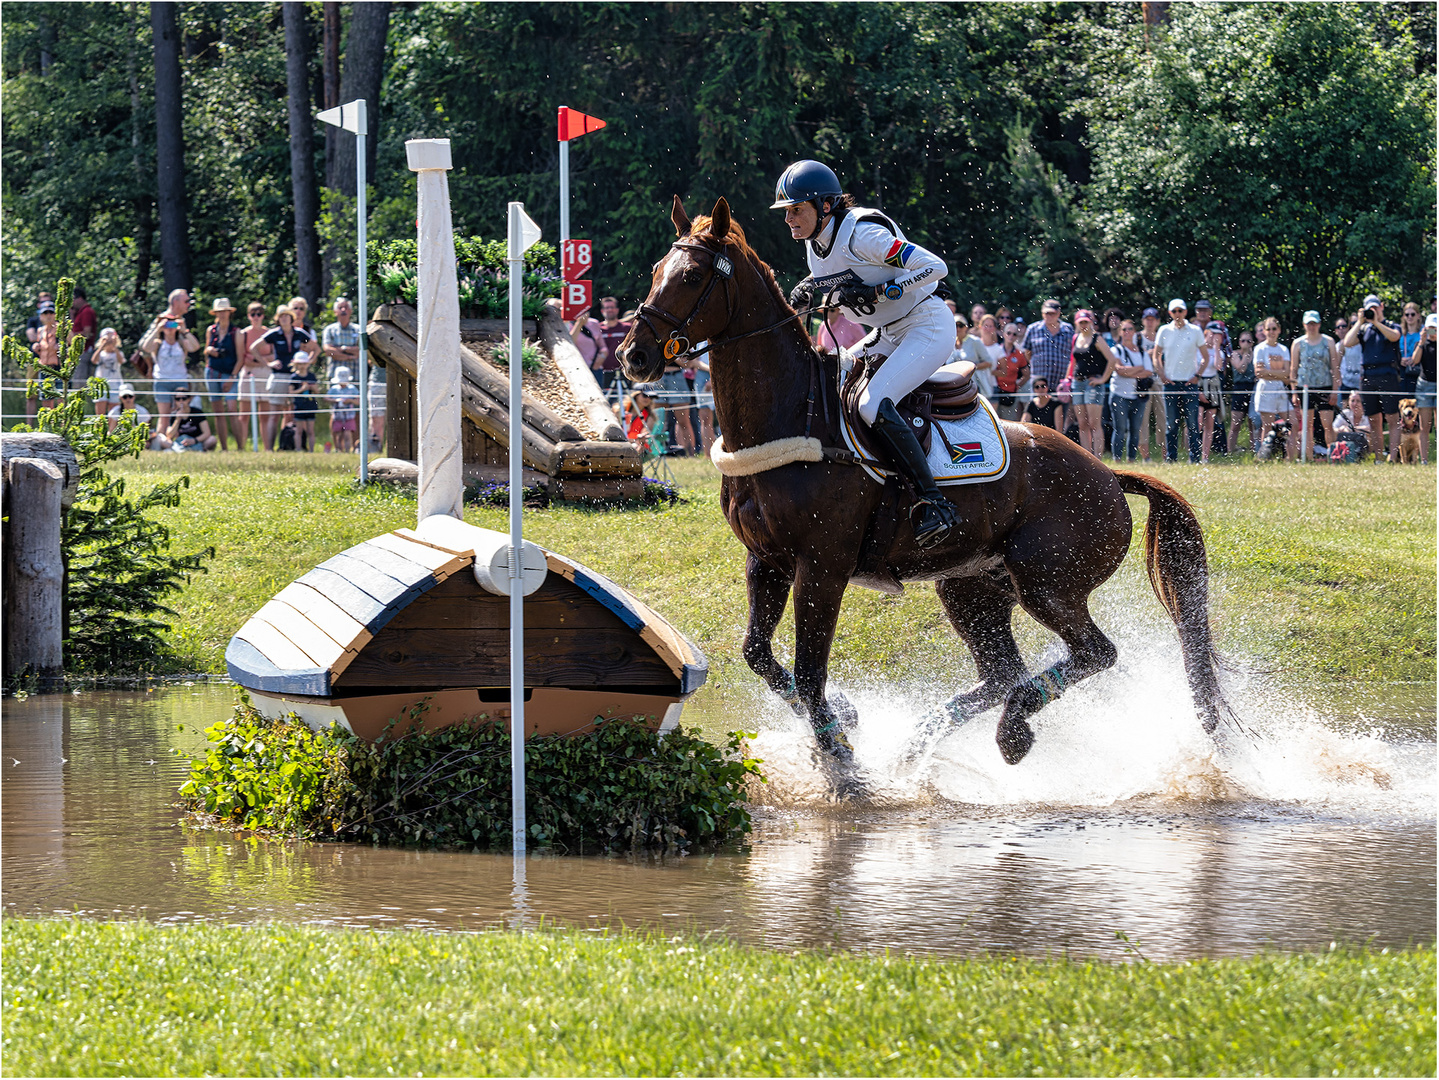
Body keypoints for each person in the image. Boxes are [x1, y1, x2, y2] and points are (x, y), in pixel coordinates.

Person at [777, 158, 956, 546]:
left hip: (926, 323)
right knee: (829, 378)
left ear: (825, 206)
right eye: (786, 211)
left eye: (796, 209)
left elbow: (934, 267)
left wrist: (882, 291)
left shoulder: (864, 235)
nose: (789, 218)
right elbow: (842, 272)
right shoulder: (814, 244)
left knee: (872, 403)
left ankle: (934, 502)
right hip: (888, 332)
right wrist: (810, 285)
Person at [1343, 294, 1403, 462]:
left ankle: (1393, 457)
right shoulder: (1363, 329)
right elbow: (1347, 342)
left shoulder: (1391, 325)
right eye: (1370, 309)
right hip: (1368, 377)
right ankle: (1378, 458)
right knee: (1374, 419)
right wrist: (1361, 322)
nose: (1373, 311)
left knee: (1392, 418)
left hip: (1388, 375)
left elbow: (1395, 336)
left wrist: (1376, 321)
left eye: (1375, 308)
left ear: (1381, 306)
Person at [252, 304, 318, 450]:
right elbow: (254, 348)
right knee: (274, 414)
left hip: (296, 376)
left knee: (297, 414)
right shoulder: (274, 334)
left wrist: (308, 363)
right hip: (279, 375)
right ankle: (269, 449)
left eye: (286, 316)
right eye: (281, 316)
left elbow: (316, 348)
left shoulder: (300, 333)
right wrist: (268, 363)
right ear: (278, 319)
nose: (284, 319)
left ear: (291, 318)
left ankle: (297, 447)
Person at [1152, 298, 1206, 463]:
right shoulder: (1164, 330)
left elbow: (1206, 357)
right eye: (1174, 311)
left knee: (1192, 424)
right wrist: (1162, 375)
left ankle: (1195, 459)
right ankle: (1171, 459)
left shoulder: (1195, 330)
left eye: (1180, 311)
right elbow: (1156, 356)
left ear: (1185, 312)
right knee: (1171, 425)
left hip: (1190, 384)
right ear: (1170, 313)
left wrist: (1197, 376)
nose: (1177, 314)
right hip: (1171, 384)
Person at [1289, 310, 1341, 462]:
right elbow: (1293, 369)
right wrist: (1294, 392)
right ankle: (1308, 458)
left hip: (1325, 387)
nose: (1312, 326)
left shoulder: (1329, 341)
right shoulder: (1298, 343)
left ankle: (1333, 457)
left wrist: (1335, 391)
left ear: (1319, 324)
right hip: (1304, 388)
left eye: (1314, 323)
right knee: (1307, 425)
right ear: (1305, 325)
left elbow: (1335, 367)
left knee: (1327, 424)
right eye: (1309, 324)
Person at [1067, 309, 1118, 458]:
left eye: (1086, 322)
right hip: (1077, 383)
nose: (1084, 325)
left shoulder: (1097, 338)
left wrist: (1102, 379)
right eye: (1081, 322)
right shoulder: (1076, 338)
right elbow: (1073, 361)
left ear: (1091, 322)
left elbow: (1112, 359)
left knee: (1094, 423)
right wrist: (1067, 379)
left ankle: (1098, 458)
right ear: (1077, 323)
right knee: (1082, 423)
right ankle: (1086, 457)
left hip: (1092, 383)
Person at [142, 312, 200, 429]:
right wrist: (157, 329)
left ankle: (177, 440)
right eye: (166, 324)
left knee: (181, 413)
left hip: (180, 380)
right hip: (162, 381)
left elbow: (195, 347)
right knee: (164, 416)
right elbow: (145, 347)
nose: (169, 328)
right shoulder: (157, 343)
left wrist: (184, 330)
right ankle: (162, 442)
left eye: (172, 324)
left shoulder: (181, 342)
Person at [1107, 319, 1152, 462]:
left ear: (1134, 332)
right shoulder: (1116, 350)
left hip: (1137, 396)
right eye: (1124, 329)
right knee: (1119, 429)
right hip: (1119, 394)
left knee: (1135, 430)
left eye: (1130, 329)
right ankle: (1117, 459)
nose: (1127, 332)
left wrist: (1129, 372)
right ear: (1120, 332)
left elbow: (1148, 372)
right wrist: (1139, 369)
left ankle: (1131, 459)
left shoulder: (1142, 352)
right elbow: (1119, 371)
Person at [202, 298, 243, 450]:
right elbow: (205, 350)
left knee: (232, 409)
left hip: (230, 373)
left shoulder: (236, 332)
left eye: (225, 311)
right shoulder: (211, 330)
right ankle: (224, 447)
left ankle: (240, 447)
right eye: (220, 312)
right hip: (212, 372)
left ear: (229, 313)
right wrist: (211, 350)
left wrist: (232, 377)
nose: (223, 315)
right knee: (218, 412)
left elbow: (240, 358)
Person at [1253, 317, 1294, 461]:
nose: (1271, 332)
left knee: (1292, 423)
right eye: (1268, 329)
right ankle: (1265, 458)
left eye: (1274, 329)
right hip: (1265, 390)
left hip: (1280, 390)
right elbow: (1258, 373)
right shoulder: (1260, 349)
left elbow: (1287, 373)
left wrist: (1269, 373)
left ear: (1279, 330)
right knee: (1267, 426)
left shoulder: (1283, 349)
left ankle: (1290, 458)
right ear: (1264, 331)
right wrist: (1279, 374)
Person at [1019, 298, 1076, 398]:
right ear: (1042, 313)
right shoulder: (1033, 329)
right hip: (1039, 382)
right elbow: (1027, 352)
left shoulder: (1068, 329)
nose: (1049, 316)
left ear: (1058, 313)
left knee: (1063, 412)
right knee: (1037, 412)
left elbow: (1073, 353)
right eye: (1046, 313)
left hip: (1061, 381)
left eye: (1052, 313)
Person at [237, 302, 271, 447]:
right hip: (248, 373)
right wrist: (261, 360)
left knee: (265, 415)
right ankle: (242, 446)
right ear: (248, 316)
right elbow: (242, 357)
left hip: (265, 373)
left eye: (259, 314)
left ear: (263, 316)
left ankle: (267, 447)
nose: (256, 317)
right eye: (253, 314)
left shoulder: (269, 333)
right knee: (244, 414)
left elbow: (274, 356)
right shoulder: (243, 334)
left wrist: (258, 360)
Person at [1404, 313, 1435, 465]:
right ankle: (1424, 460)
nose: (1432, 332)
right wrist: (1422, 342)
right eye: (1430, 329)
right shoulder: (1421, 344)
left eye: (1435, 329)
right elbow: (1414, 361)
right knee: (1424, 426)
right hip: (1424, 385)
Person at [1136, 306, 1163, 461]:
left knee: (1163, 418)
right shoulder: (1137, 338)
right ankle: (1146, 457)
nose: (1150, 322)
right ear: (1143, 320)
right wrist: (1149, 354)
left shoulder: (1162, 336)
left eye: (1153, 319)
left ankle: (1165, 455)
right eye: (1147, 319)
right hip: (1142, 382)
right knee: (1142, 419)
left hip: (1160, 380)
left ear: (1158, 321)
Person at [107, 384, 172, 450]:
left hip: (142, 439)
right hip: (123, 440)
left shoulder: (142, 411)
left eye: (130, 396)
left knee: (165, 443)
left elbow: (146, 430)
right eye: (125, 397)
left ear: (134, 396)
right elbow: (112, 431)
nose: (128, 399)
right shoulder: (115, 412)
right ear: (120, 398)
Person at [1195, 324, 1225, 464]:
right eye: (1212, 334)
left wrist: (1217, 348)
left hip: (1212, 387)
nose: (1215, 337)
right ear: (1206, 333)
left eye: (1218, 335)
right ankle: (1193, 453)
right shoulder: (1197, 350)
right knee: (1198, 422)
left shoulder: (1219, 352)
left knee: (1209, 424)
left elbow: (1218, 366)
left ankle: (1205, 456)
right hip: (1200, 384)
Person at [1226, 328, 1259, 453]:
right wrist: (1246, 354)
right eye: (1243, 341)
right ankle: (1230, 449)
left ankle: (1253, 449)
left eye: (1248, 341)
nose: (1245, 343)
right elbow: (1241, 368)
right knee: (1236, 423)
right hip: (1239, 389)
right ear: (1239, 342)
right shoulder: (1235, 354)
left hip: (1252, 388)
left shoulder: (1256, 355)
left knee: (1253, 422)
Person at [992, 320, 1029, 420]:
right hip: (994, 390)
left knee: (1008, 423)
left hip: (1010, 392)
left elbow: (1027, 374)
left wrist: (1018, 385)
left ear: (1017, 337)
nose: (1011, 336)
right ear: (1003, 334)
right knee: (992, 422)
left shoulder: (1019, 354)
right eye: (1008, 333)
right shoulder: (996, 350)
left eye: (1014, 334)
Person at [163, 386, 217, 451]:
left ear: (189, 399)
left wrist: (194, 440)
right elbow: (169, 436)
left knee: (212, 439)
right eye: (178, 399)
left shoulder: (197, 412)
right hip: (181, 442)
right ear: (175, 401)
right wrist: (177, 420)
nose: (181, 401)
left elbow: (207, 433)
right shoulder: (174, 415)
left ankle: (203, 450)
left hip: (197, 440)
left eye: (184, 398)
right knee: (164, 441)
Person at [950, 315, 990, 398]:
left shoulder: (975, 341)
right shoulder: (950, 342)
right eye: (955, 325)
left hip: (974, 384)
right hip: (955, 386)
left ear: (966, 327)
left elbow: (989, 362)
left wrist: (970, 368)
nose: (958, 328)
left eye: (960, 326)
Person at [596, 296, 629, 396]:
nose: (610, 310)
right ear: (602, 311)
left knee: (624, 401)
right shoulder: (597, 328)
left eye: (612, 307)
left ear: (617, 310)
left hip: (624, 371)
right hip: (602, 372)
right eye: (607, 307)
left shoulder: (626, 328)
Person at [68, 287, 99, 389]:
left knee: (79, 382)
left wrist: (71, 337)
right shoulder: (79, 312)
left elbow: (87, 333)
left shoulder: (87, 311)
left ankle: (80, 402)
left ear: (79, 298)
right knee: (76, 379)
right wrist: (72, 316)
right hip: (78, 352)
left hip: (84, 351)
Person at [91, 327, 125, 417]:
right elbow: (94, 360)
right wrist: (102, 346)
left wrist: (114, 347)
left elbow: (121, 361)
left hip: (115, 386)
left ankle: (111, 430)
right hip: (101, 386)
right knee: (100, 414)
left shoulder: (118, 353)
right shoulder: (100, 354)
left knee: (114, 414)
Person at [289, 353, 319, 451]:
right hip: (299, 406)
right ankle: (298, 449)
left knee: (311, 430)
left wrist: (313, 388)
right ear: (296, 364)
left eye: (304, 364)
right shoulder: (294, 377)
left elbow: (317, 391)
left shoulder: (311, 376)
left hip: (310, 406)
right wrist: (302, 389)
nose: (302, 366)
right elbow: (291, 393)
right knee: (299, 430)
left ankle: (311, 450)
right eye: (300, 364)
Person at [326, 364, 360, 452]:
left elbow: (359, 400)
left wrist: (350, 401)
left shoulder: (352, 389)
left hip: (349, 416)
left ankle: (348, 450)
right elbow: (326, 398)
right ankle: (338, 449)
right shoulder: (334, 389)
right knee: (339, 434)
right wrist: (336, 400)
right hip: (337, 416)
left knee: (347, 434)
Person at [570, 307, 608, 374]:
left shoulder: (594, 323)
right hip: (576, 369)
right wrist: (579, 324)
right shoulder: (566, 325)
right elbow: (570, 344)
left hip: (595, 368)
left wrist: (602, 356)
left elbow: (602, 346)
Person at [1398, 301, 1423, 398]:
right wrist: (1400, 359)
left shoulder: (1425, 330)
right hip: (1403, 369)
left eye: (1412, 314)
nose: (1410, 317)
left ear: (1418, 315)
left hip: (1419, 369)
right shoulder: (1399, 331)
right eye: (1407, 314)